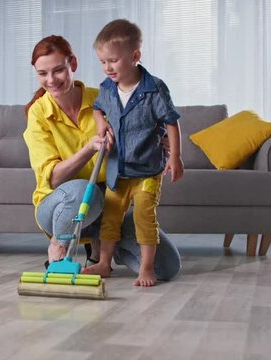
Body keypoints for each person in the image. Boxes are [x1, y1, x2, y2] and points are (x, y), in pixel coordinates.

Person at [23, 34, 181, 281]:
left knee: (167, 267)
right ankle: (58, 247)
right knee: (83, 191)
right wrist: (89, 148)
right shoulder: (38, 113)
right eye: (42, 74)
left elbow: (149, 120)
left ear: (72, 64)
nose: (51, 80)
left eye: (58, 70)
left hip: (108, 204)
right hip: (61, 206)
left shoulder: (106, 97)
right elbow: (54, 179)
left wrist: (158, 142)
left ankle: (104, 250)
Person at [81, 19, 184, 287]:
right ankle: (104, 263)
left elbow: (171, 121)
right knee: (111, 216)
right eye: (102, 61)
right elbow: (96, 108)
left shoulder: (154, 89)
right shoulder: (106, 88)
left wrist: (175, 157)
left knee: (143, 217)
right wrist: (101, 123)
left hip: (147, 170)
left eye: (113, 61)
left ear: (135, 56)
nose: (107, 67)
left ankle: (146, 268)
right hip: (117, 169)